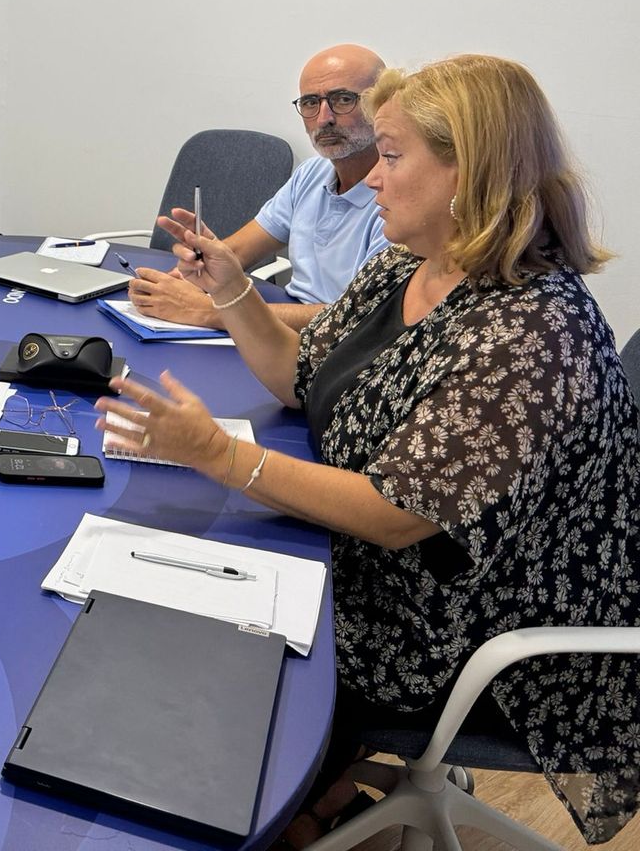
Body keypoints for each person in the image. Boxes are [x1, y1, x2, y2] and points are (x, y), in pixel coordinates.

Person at [97, 55, 638, 845]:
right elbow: (297, 380)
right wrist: (232, 289)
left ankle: (271, 805)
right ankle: (312, 789)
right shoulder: (407, 263)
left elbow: (392, 515)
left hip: (467, 625)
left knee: (193, 628)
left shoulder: (532, 330)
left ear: (470, 172)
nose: (371, 180)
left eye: (391, 156)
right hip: (379, 563)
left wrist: (218, 454)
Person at [126, 44, 389, 332]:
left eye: (342, 99)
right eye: (311, 102)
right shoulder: (311, 174)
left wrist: (209, 311)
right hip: (284, 330)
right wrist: (177, 283)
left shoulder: (398, 197)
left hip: (337, 349)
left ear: (381, 104)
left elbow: (358, 319)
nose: (324, 118)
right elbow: (238, 250)